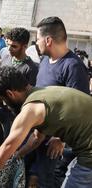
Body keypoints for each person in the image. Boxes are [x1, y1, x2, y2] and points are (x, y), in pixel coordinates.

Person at [0, 66, 92, 188]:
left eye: (3, 100)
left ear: (10, 94)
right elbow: (36, 138)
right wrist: (17, 155)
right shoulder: (44, 93)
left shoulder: (30, 110)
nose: (5, 105)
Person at [28, 16, 90, 188]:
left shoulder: (73, 67)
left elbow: (80, 110)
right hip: (37, 138)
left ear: (48, 40)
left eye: (38, 39)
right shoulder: (45, 61)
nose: (36, 43)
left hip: (53, 148)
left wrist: (59, 139)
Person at [0, 27, 38, 156]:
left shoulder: (30, 69)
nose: (9, 49)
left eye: (14, 46)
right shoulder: (5, 59)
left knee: (8, 151)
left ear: (25, 46)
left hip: (14, 117)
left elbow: (28, 98)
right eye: (8, 45)